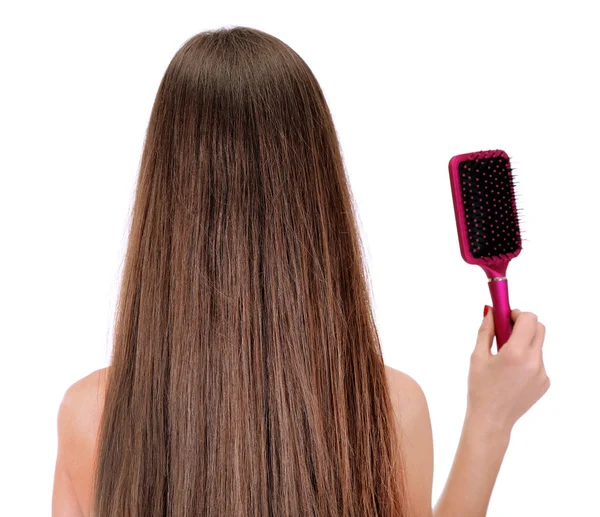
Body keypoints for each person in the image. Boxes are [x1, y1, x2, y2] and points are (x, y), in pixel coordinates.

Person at [52, 26, 550, 517]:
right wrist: (489, 421)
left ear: (163, 199)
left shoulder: (89, 417)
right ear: (319, 199)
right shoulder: (387, 415)